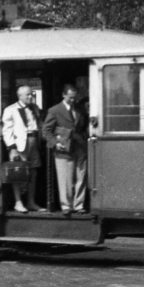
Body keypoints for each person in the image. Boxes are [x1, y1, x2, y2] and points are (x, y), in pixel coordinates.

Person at [43, 83, 90, 216]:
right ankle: (66, 206)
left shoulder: (81, 109)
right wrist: (55, 143)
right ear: (64, 95)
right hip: (63, 149)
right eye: (70, 97)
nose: (73, 100)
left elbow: (84, 126)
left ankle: (79, 205)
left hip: (80, 148)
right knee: (66, 180)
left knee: (81, 177)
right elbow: (46, 131)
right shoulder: (54, 110)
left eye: (75, 98)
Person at [1, 86, 44, 212]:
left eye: (31, 94)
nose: (30, 97)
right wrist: (12, 148)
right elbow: (7, 130)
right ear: (20, 96)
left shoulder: (35, 108)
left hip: (33, 142)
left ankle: (30, 202)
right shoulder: (11, 110)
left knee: (33, 173)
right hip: (20, 145)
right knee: (18, 172)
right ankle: (18, 202)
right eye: (27, 95)